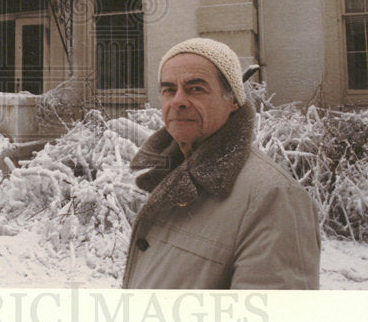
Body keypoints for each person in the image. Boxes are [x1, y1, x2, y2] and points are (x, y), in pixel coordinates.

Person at [122, 37, 320, 289]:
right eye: (169, 90)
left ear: (234, 100)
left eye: (196, 89)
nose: (178, 101)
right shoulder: (170, 176)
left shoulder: (274, 197)